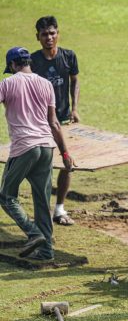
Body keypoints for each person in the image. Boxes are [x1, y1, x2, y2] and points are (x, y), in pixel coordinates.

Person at [0, 47, 75, 260]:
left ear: (14, 65)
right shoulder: (46, 84)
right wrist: (65, 153)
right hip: (46, 147)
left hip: (24, 147)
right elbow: (54, 122)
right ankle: (46, 252)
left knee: (6, 196)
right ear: (29, 62)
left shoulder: (8, 83)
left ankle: (33, 233)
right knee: (42, 200)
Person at [30, 16, 80, 226]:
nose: (49, 38)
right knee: (44, 167)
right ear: (38, 37)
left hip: (63, 120)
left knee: (67, 163)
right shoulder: (33, 61)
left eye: (52, 33)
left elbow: (74, 80)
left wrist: (74, 108)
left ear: (58, 33)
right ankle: (41, 213)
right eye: (44, 34)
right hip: (40, 123)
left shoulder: (68, 56)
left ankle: (59, 210)